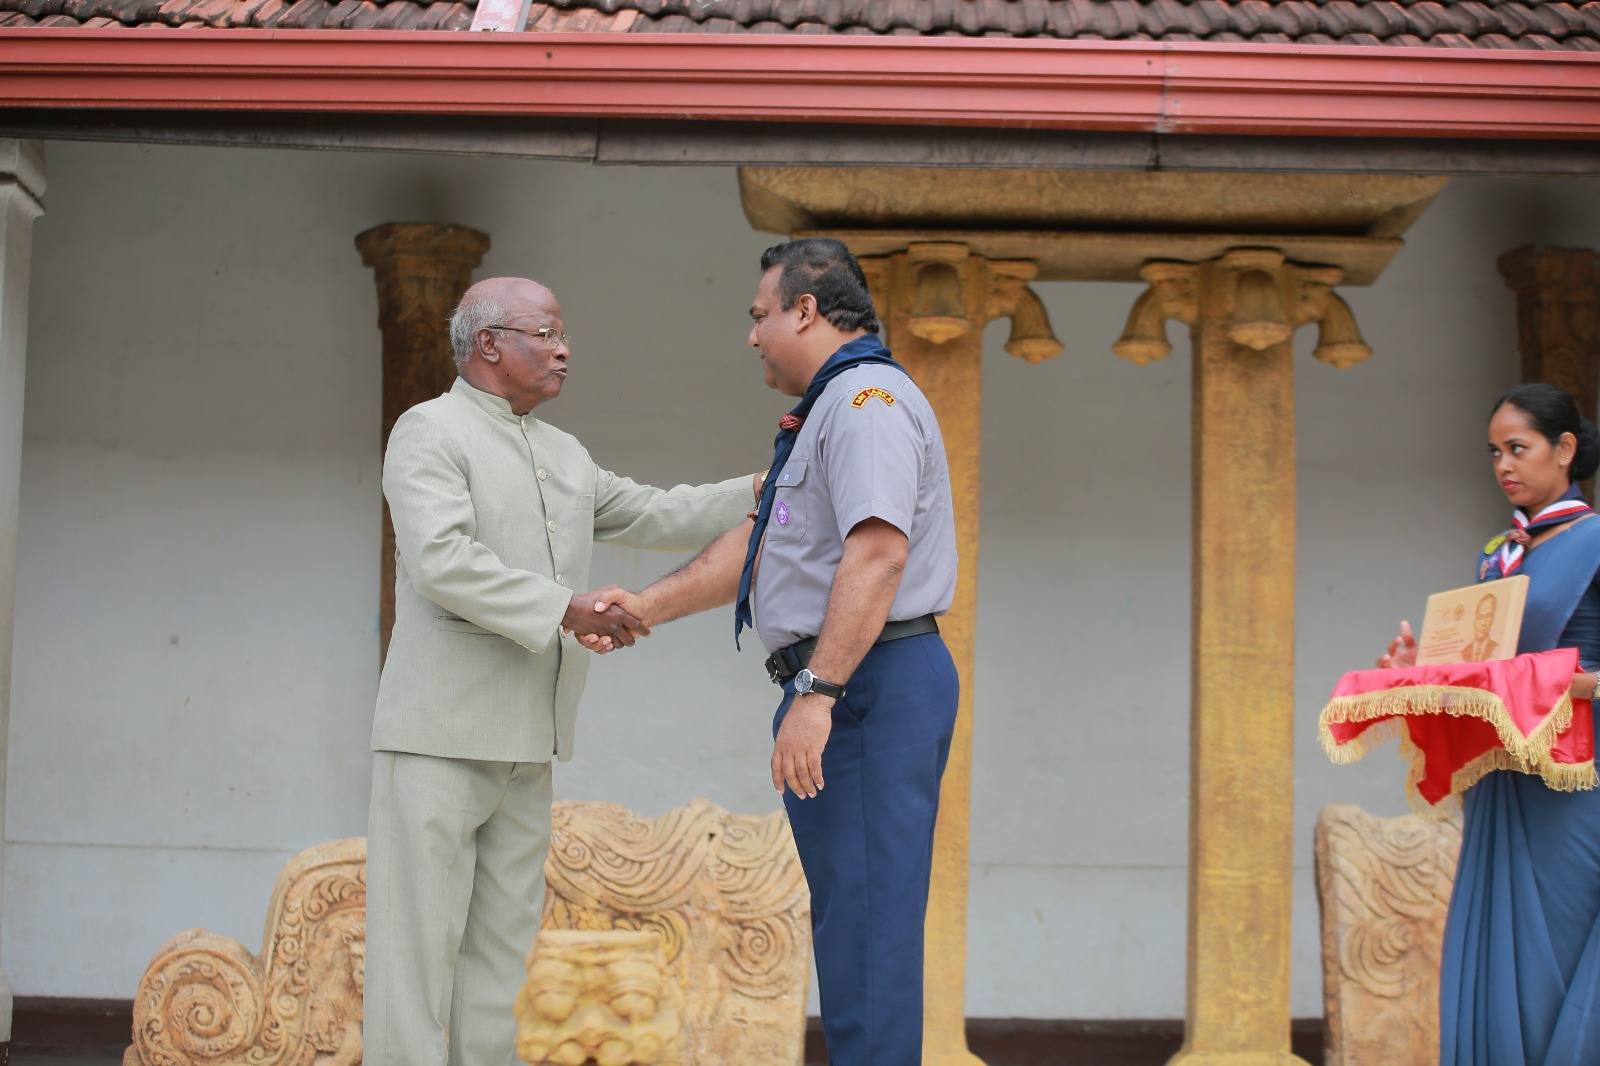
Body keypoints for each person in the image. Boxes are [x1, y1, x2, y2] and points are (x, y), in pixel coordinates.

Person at [362, 276, 755, 1066]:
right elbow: (441, 561)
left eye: (561, 333)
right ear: (489, 343)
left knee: (501, 957)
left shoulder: (563, 454)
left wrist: (772, 482)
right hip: (438, 737)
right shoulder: (430, 430)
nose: (563, 348)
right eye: (545, 333)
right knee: (415, 957)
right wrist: (567, 609)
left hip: (529, 741)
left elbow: (656, 511)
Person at [591, 238, 959, 1065]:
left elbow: (878, 554)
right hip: (856, 681)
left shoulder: (865, 400)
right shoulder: (827, 410)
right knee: (852, 924)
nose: (752, 334)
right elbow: (762, 543)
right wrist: (644, 606)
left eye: (761, 315)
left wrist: (819, 692)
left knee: (868, 930)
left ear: (806, 309)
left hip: (867, 683)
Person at [1376, 382, 1600, 1065]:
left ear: (1565, 448)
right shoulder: (1500, 555)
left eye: (1518, 448)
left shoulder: (1596, 541)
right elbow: (1484, 668)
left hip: (1576, 779)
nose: (1504, 464)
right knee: (1505, 965)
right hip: (1506, 774)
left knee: (1560, 953)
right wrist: (1419, 668)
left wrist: (1575, 683)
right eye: (1494, 452)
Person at [1457, 592, 1500, 662]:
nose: (1484, 622)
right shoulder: (1463, 653)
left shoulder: (1497, 649)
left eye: (1488, 616)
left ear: (1493, 619)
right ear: (1474, 618)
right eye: (1480, 616)